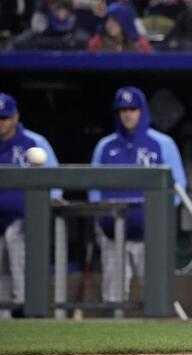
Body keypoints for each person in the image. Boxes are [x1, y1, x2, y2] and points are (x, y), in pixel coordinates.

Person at [89, 86, 186, 303]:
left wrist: (159, 221)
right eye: (122, 109)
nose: (128, 113)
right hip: (113, 235)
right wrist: (101, 222)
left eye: (133, 108)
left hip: (150, 235)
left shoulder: (163, 144)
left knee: (156, 296)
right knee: (113, 297)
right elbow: (93, 189)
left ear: (142, 111)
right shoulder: (105, 146)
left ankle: (160, 336)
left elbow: (178, 188)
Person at [0, 93, 60, 318]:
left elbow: (56, 184)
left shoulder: (34, 143)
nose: (1, 123)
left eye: (5, 117)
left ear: (16, 117)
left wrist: (41, 215)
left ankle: (26, 312)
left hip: (23, 220)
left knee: (18, 263)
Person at [11, 0, 90, 50]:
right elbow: (37, 28)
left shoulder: (74, 7)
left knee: (83, 41)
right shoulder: (42, 8)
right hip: (44, 37)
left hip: (68, 37)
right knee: (18, 43)